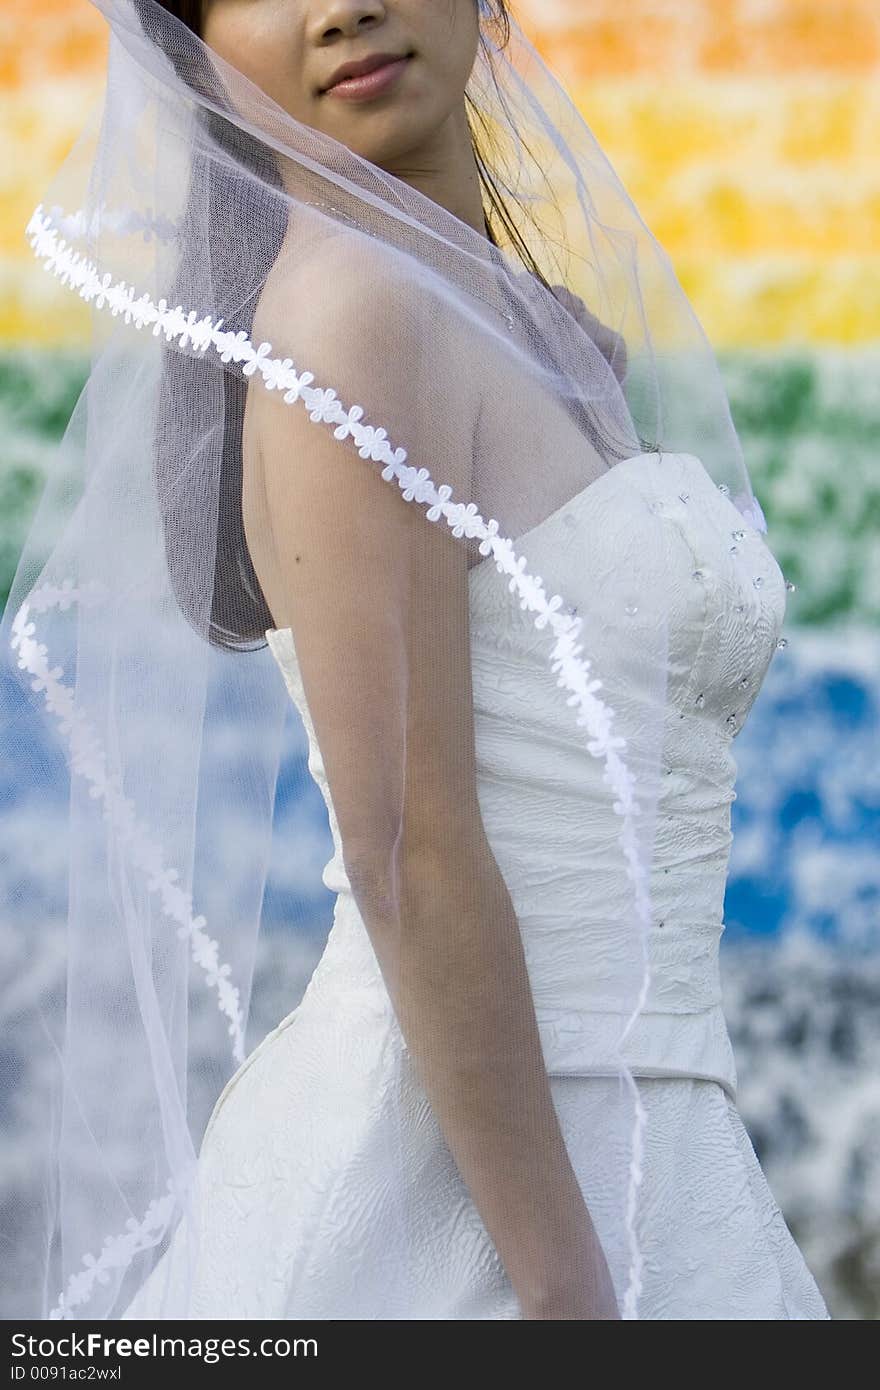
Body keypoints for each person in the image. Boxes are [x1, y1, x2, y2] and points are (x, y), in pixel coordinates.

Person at [2, 0, 831, 1320]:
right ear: (199, 46)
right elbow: (409, 844)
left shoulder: (515, 315)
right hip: (484, 1196)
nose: (344, 8)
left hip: (648, 1126)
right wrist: (566, 1288)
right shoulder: (351, 312)